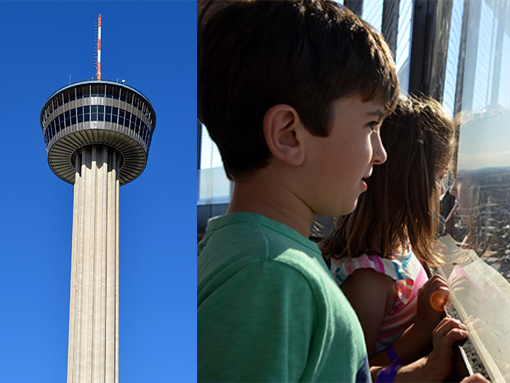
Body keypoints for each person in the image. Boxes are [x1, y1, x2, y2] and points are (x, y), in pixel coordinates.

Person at [197, 1, 475, 382]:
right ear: (288, 135)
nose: (381, 154)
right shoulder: (271, 278)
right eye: (370, 126)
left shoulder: (255, 256)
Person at [321, 96, 466, 381]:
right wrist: (422, 333)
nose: (442, 191)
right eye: (438, 178)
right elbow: (354, 375)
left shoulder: (401, 249)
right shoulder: (368, 281)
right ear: (408, 183)